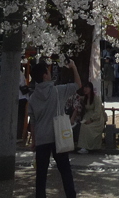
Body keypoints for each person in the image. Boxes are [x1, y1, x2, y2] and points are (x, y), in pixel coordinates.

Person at [29, 58, 80, 198]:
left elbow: (32, 122)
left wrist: (33, 141)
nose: (50, 73)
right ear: (45, 75)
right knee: (65, 171)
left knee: (41, 174)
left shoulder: (32, 97)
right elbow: (77, 84)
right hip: (58, 137)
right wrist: (74, 67)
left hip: (41, 138)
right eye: (48, 71)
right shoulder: (58, 91)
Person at [76, 82, 105, 154]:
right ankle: (83, 146)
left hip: (96, 119)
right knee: (82, 126)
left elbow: (98, 112)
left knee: (87, 128)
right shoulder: (85, 98)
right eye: (84, 88)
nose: (85, 89)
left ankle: (87, 147)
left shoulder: (96, 98)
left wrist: (91, 119)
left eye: (87, 87)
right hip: (87, 117)